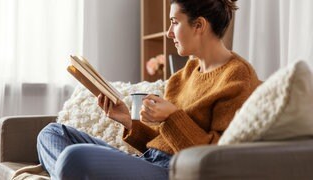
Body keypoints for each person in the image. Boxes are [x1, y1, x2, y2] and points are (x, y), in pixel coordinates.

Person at [37, 0, 261, 179]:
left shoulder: (237, 76)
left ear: (199, 25)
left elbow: (218, 160)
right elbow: (161, 143)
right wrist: (127, 120)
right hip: (150, 161)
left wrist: (172, 116)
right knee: (52, 133)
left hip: (175, 172)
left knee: (74, 158)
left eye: (174, 22)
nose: (168, 33)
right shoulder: (182, 76)